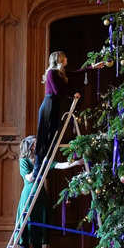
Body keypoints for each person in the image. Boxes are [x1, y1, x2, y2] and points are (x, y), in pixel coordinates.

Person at [29, 51, 79, 183]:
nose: (67, 59)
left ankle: (42, 168)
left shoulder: (60, 73)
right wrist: (72, 93)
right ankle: (36, 171)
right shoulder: (52, 72)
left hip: (55, 107)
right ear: (60, 59)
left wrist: (92, 67)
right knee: (43, 139)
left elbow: (76, 72)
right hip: (49, 106)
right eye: (65, 57)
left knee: (52, 139)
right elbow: (58, 91)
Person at [17, 135, 48, 248]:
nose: (38, 146)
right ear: (30, 146)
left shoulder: (41, 160)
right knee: (25, 232)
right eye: (35, 144)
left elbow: (57, 165)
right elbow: (29, 177)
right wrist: (38, 166)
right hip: (28, 199)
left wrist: (75, 163)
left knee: (38, 232)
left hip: (41, 200)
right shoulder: (24, 161)